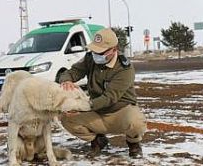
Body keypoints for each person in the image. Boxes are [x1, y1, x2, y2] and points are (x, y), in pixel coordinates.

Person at [58, 28, 147, 158]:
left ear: (114, 50)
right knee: (67, 118)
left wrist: (82, 107)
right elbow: (71, 72)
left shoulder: (124, 68)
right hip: (96, 112)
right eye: (94, 51)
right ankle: (98, 141)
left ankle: (133, 144)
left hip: (119, 112)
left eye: (100, 52)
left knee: (136, 122)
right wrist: (66, 80)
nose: (96, 55)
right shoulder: (90, 59)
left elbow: (110, 98)